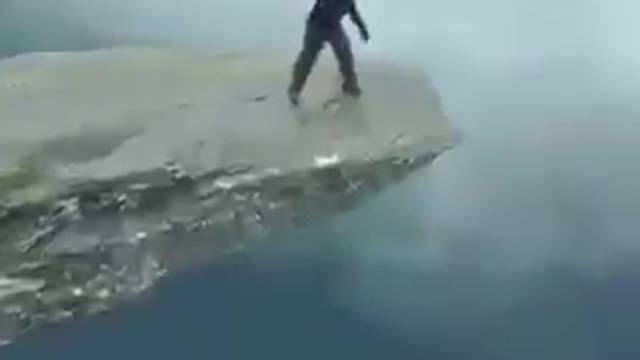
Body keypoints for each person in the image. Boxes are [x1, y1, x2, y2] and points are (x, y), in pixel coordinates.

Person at [287, 0, 370, 106]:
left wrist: (363, 29)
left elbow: (353, 12)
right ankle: (294, 90)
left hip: (334, 27)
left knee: (345, 55)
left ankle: (350, 85)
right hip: (316, 27)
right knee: (307, 59)